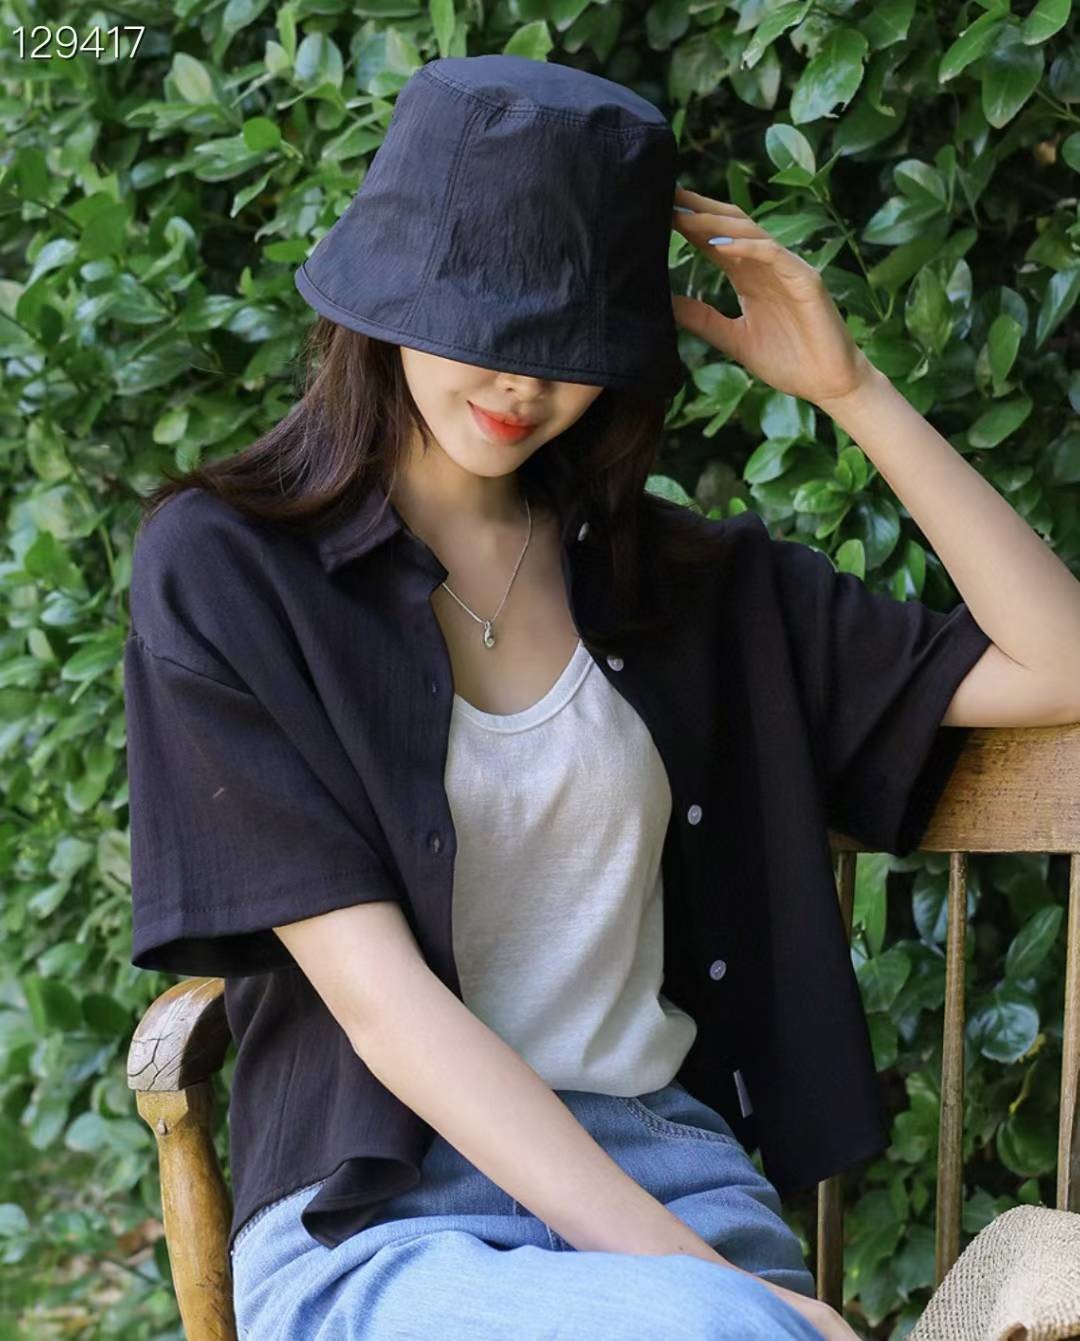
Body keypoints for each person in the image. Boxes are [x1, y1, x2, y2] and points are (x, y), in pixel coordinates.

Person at [127, 51, 1080, 1341]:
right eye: (482, 327)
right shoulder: (231, 570)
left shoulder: (680, 584)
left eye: (567, 347)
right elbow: (382, 1006)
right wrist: (727, 1299)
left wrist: (849, 391)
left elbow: (1059, 665)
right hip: (384, 1211)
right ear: (386, 293)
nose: (522, 384)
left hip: (669, 1170)